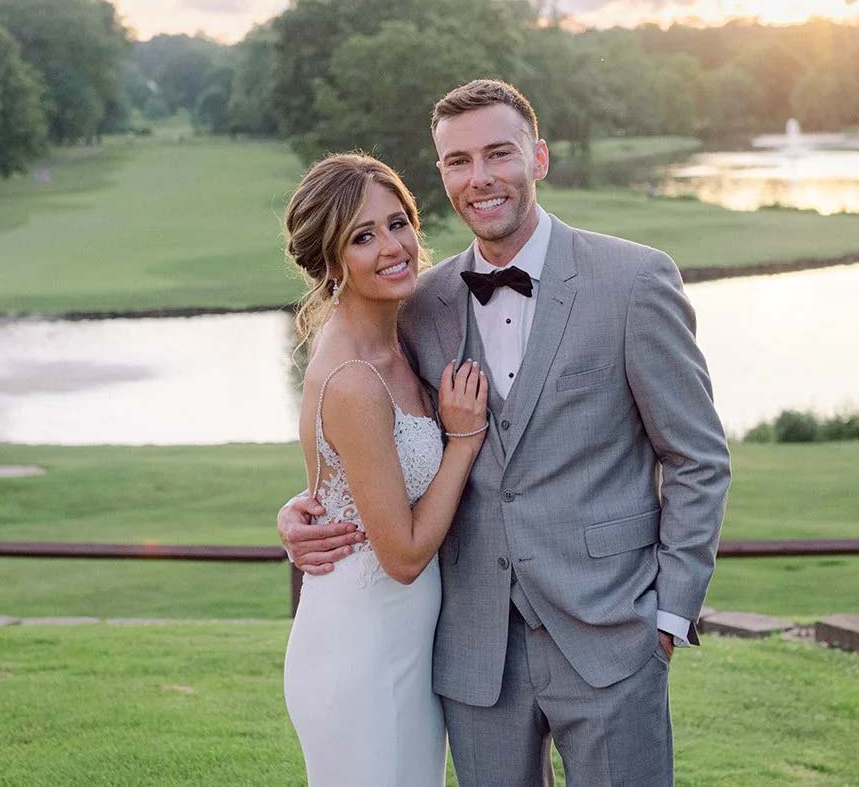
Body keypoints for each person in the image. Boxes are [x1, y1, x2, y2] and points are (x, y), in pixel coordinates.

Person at [281, 80, 732, 786]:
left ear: (539, 157)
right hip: (470, 651)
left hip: (612, 635)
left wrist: (669, 617)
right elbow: (364, 420)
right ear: (442, 176)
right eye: (458, 161)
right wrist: (305, 508)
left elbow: (699, 459)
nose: (480, 177)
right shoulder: (420, 300)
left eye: (499, 153)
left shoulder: (634, 280)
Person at [279, 153, 493, 787]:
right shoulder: (353, 380)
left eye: (398, 223)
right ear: (330, 260)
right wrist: (463, 440)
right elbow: (399, 556)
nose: (394, 247)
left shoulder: (402, 333)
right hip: (360, 654)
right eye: (362, 237)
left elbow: (357, 480)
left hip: (403, 647)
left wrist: (301, 502)